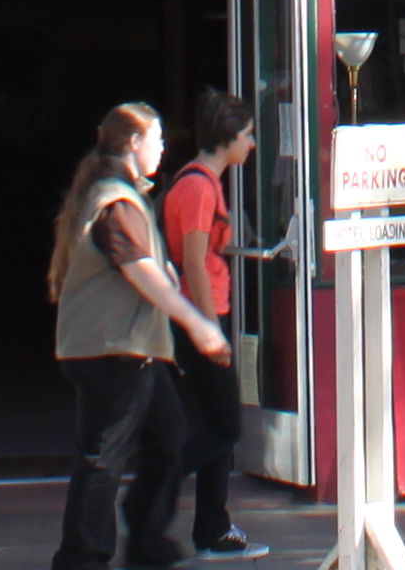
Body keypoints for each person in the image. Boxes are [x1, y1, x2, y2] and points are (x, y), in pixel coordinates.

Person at [49, 99, 223, 570]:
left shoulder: (121, 195)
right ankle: (82, 558)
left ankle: (146, 544)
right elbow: (140, 272)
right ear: (133, 142)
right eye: (158, 138)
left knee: (167, 440)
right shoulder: (115, 201)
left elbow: (150, 269)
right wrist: (197, 323)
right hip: (113, 351)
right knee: (103, 459)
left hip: (133, 349)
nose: (164, 148)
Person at [156, 90, 265, 559]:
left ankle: (212, 529)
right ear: (226, 138)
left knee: (219, 424)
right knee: (225, 426)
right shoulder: (200, 187)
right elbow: (194, 264)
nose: (253, 144)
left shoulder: (201, 181)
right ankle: (156, 489)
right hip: (202, 314)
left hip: (203, 314)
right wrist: (209, 328)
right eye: (247, 135)